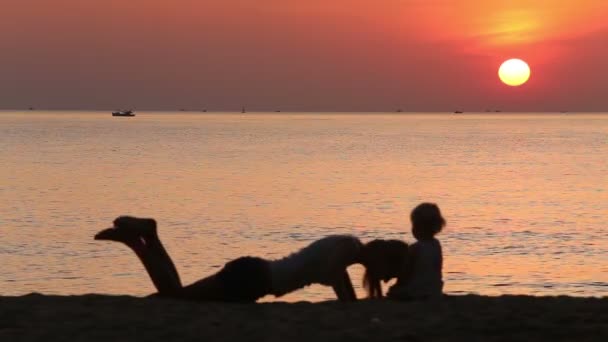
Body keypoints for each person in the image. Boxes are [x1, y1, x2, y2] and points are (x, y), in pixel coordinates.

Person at [94, 216, 408, 302]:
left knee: (176, 295)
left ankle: (148, 236)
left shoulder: (348, 248)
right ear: (382, 257)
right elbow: (337, 278)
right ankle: (139, 241)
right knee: (174, 295)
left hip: (252, 279)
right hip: (250, 278)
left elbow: (341, 280)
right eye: (390, 272)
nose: (387, 278)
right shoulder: (347, 250)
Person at [387, 202, 445, 300]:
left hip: (417, 291)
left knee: (393, 292)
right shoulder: (436, 244)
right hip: (435, 289)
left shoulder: (415, 248)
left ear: (418, 227)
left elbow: (406, 273)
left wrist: (398, 285)